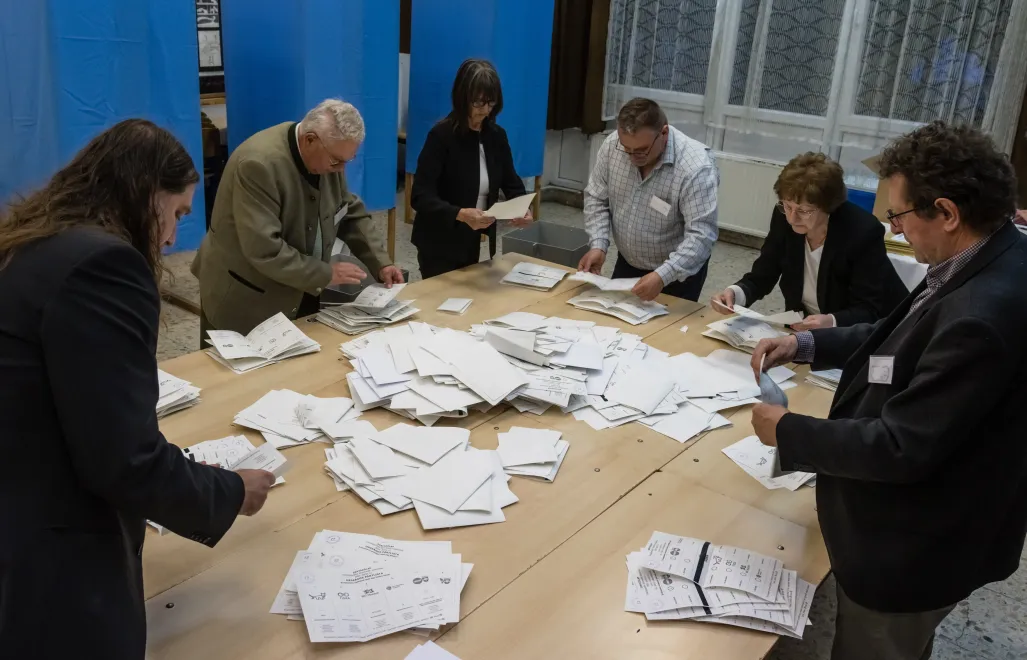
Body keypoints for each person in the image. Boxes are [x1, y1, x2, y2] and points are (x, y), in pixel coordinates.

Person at [750, 121, 1027, 660]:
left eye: (898, 216)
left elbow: (901, 446)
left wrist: (790, 431)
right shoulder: (977, 252)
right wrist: (810, 346)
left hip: (919, 545)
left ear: (945, 213)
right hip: (938, 514)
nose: (894, 230)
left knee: (877, 647)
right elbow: (902, 334)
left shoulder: (982, 315)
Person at [0, 120, 275, 659]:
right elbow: (124, 462)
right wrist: (231, 493)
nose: (172, 237)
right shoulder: (104, 264)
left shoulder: (37, 239)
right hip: (50, 545)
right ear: (146, 195)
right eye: (175, 214)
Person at [192, 99, 403, 338]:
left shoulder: (326, 159)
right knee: (234, 372)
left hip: (300, 287)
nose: (341, 169)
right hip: (244, 295)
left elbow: (348, 211)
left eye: (348, 161)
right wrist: (326, 274)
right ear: (309, 139)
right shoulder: (258, 165)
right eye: (336, 161)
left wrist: (381, 262)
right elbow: (264, 249)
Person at [712, 152, 908, 330]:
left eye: (804, 211)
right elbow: (764, 274)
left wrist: (830, 321)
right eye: (787, 206)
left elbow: (868, 309)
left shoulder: (862, 231)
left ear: (829, 206)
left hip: (860, 336)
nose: (792, 218)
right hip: (802, 328)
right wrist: (735, 294)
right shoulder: (783, 219)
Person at [579, 97, 718, 302]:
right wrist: (598, 244)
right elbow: (597, 198)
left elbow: (702, 235)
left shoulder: (696, 167)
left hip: (677, 273)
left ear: (664, 133)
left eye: (642, 150)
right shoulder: (613, 146)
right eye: (627, 149)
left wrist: (663, 276)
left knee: (666, 332)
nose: (633, 157)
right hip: (628, 262)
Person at [411, 59, 533, 278]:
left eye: (491, 104)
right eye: (478, 103)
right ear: (463, 98)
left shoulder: (496, 136)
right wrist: (460, 214)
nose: (485, 111)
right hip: (438, 241)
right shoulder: (441, 137)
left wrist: (522, 208)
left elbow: (511, 181)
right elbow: (420, 196)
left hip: (472, 238)